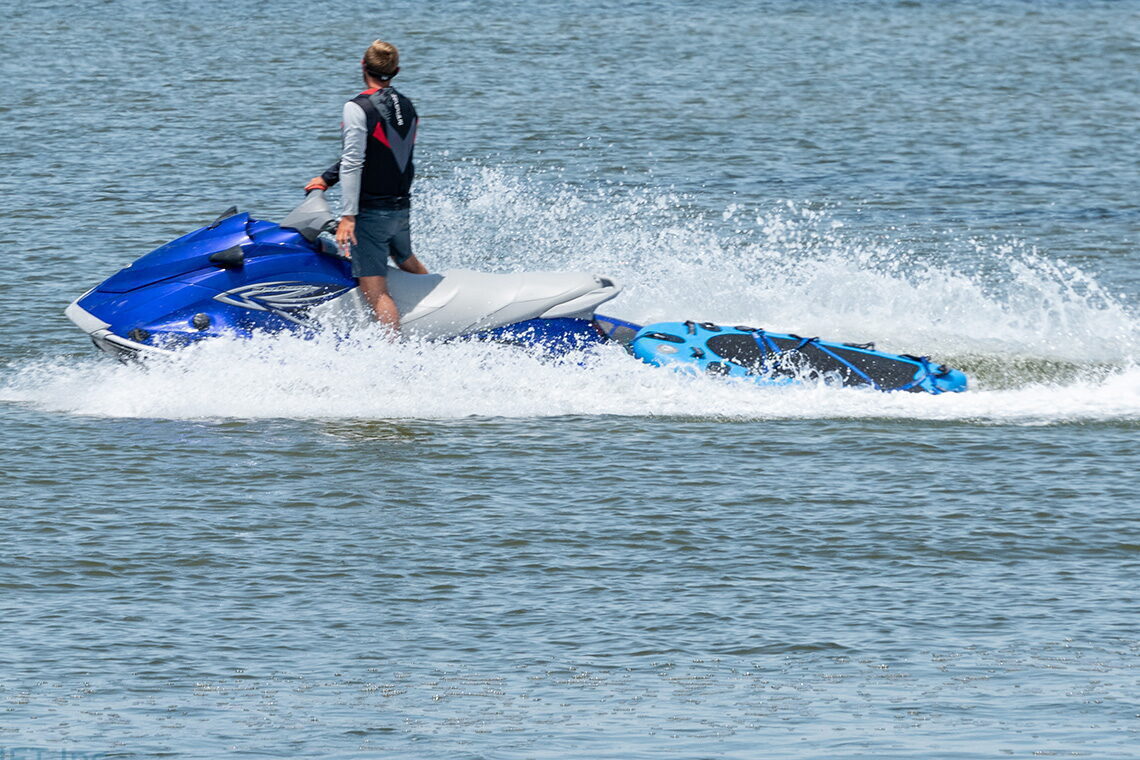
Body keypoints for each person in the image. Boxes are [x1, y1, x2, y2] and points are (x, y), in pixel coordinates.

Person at [306, 40, 427, 331]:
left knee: (376, 293)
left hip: (371, 213)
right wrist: (326, 178)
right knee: (405, 258)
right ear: (395, 70)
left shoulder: (356, 107)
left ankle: (391, 355)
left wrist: (349, 216)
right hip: (400, 208)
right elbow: (380, 154)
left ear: (362, 66)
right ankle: (441, 305)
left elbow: (353, 161)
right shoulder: (408, 106)